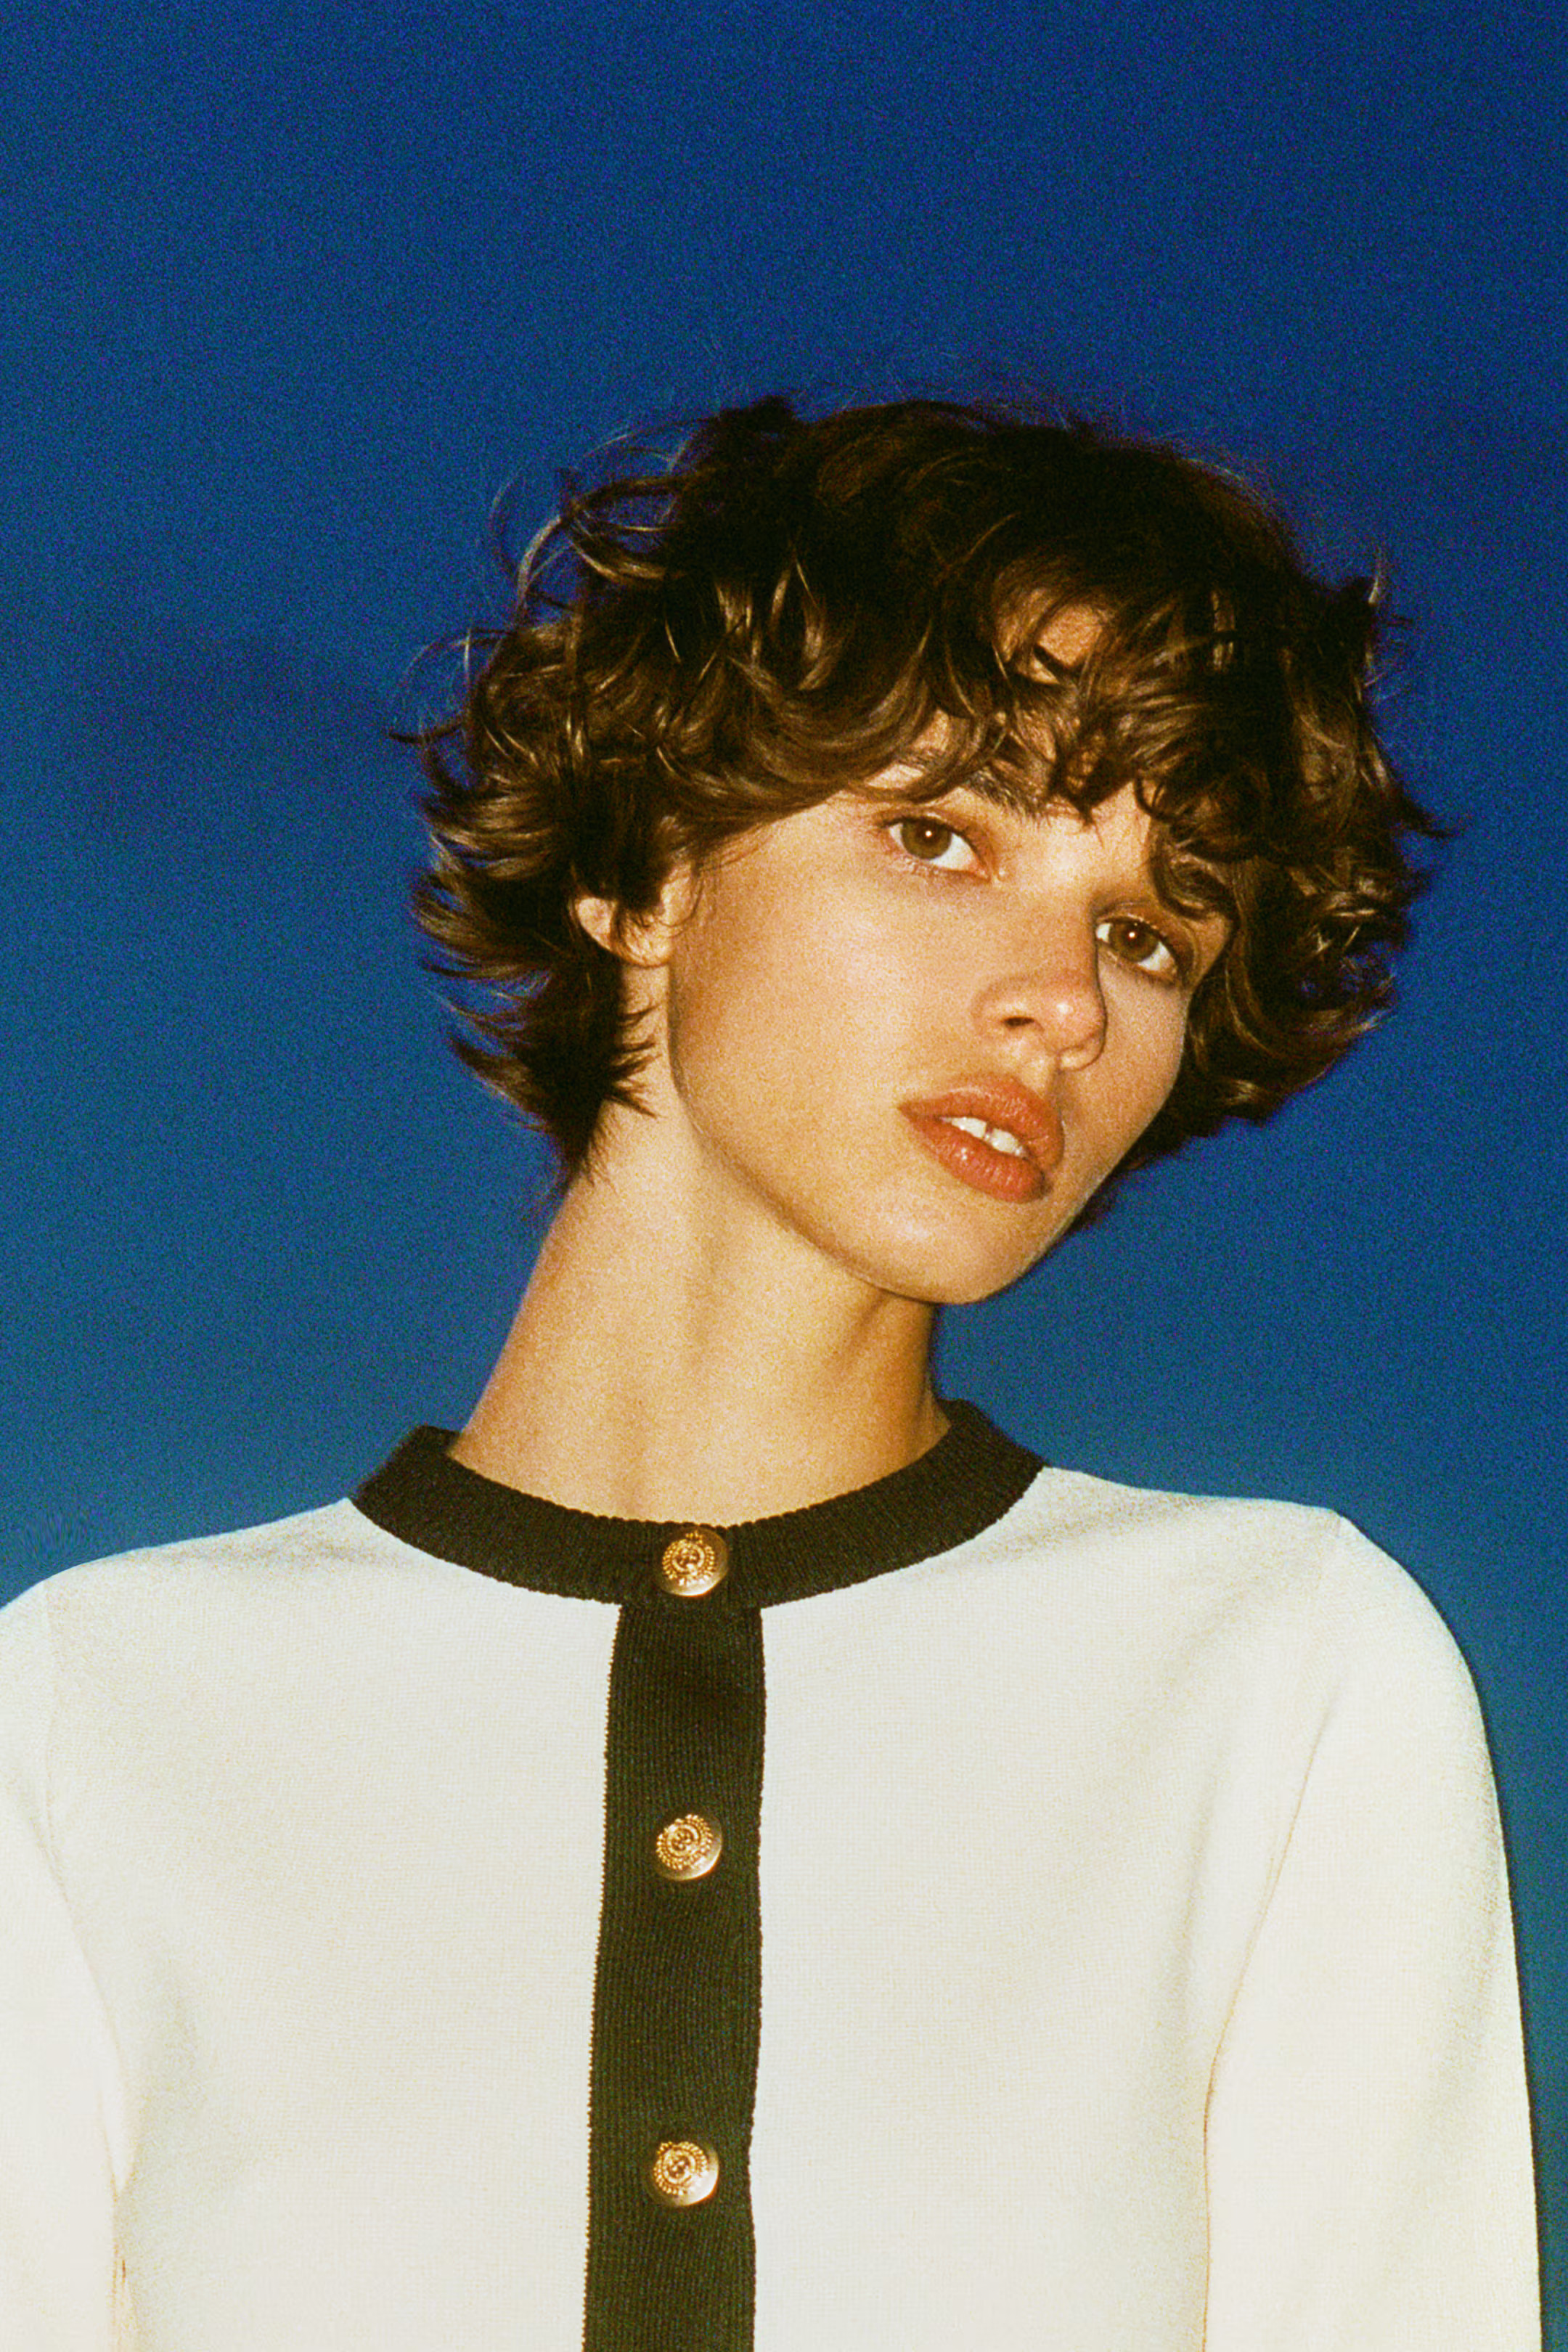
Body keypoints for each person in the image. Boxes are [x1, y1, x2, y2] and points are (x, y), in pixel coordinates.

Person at [0, 397, 1538, 2350]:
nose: (1062, 1003)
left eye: (1151, 935)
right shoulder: (89, 1718)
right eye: (939, 836)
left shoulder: (1279, 1678)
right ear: (647, 870)